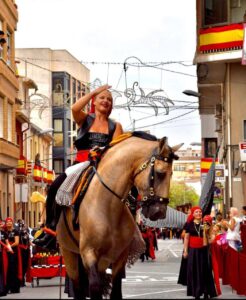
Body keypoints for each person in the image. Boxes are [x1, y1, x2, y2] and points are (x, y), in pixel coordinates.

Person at [33, 84, 123, 248]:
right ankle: (51, 230)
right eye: (102, 98)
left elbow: (117, 151)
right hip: (81, 165)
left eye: (109, 99)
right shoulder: (85, 119)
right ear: (94, 102)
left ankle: (125, 233)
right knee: (54, 187)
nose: (106, 101)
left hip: (104, 167)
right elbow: (74, 107)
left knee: (127, 193)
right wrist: (93, 92)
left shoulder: (115, 126)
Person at [181, 206, 218, 299]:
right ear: (193, 214)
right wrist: (185, 251)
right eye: (196, 212)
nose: (199, 213)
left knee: (205, 270)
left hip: (204, 250)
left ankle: (206, 291)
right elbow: (186, 238)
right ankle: (196, 292)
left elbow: (211, 234)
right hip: (193, 251)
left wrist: (212, 238)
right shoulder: (189, 224)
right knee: (194, 271)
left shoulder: (206, 223)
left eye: (200, 212)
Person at [5, 217, 22, 294]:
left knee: (13, 269)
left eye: (10, 222)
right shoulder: (5, 232)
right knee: (7, 269)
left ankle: (14, 288)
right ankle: (8, 287)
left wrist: (9, 247)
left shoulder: (15, 231)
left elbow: (17, 242)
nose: (8, 223)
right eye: (7, 222)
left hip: (13, 252)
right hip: (6, 252)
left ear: (12, 223)